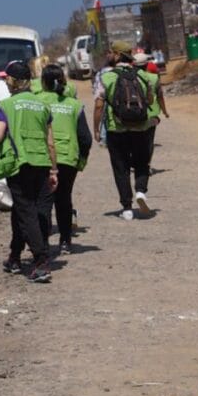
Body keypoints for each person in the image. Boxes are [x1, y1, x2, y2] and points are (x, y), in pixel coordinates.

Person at [0, 60, 58, 284]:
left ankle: (41, 260)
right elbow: (50, 141)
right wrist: (54, 170)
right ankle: (15, 256)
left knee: (26, 210)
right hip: (41, 162)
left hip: (19, 164)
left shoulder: (5, 106)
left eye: (6, 79)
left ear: (12, 81)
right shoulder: (42, 105)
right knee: (24, 210)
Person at [36, 64, 93, 255]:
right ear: (63, 81)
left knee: (44, 201)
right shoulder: (74, 105)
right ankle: (65, 242)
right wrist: (81, 161)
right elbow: (85, 138)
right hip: (68, 158)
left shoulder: (36, 102)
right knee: (64, 199)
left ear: (42, 82)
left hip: (42, 158)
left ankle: (42, 243)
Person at [93, 52, 157, 220]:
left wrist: (97, 129)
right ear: (132, 62)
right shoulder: (143, 76)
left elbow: (99, 105)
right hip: (140, 127)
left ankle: (127, 207)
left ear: (117, 62)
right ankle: (141, 191)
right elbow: (150, 100)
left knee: (121, 168)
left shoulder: (107, 77)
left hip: (116, 129)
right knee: (142, 162)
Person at [134, 52, 169, 164]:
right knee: (149, 140)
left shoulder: (131, 78)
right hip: (152, 114)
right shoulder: (154, 78)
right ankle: (147, 163)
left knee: (138, 140)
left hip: (136, 113)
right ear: (146, 65)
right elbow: (160, 97)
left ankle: (138, 162)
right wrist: (164, 111)